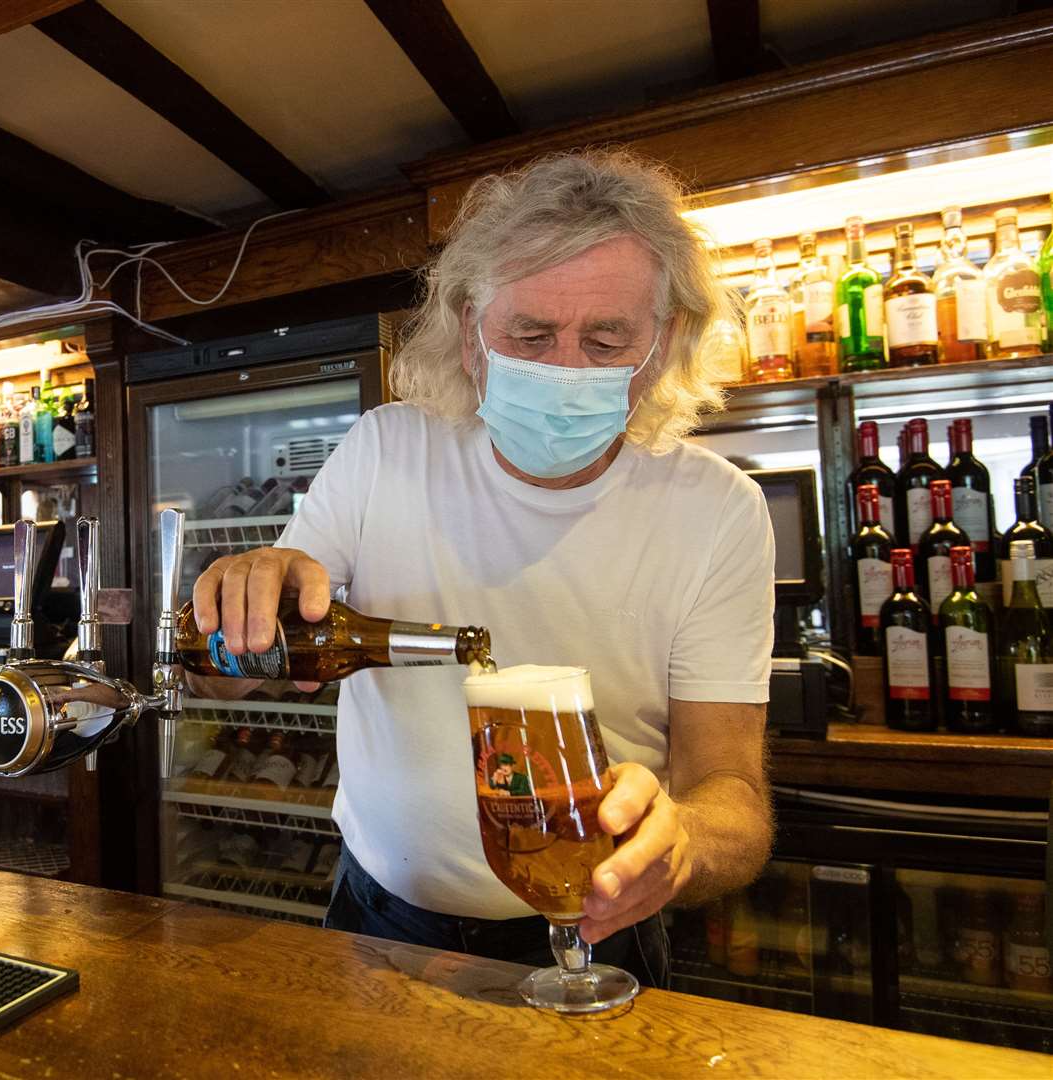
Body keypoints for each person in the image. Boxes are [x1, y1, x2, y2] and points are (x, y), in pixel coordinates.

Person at [189, 150, 774, 985]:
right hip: (376, 922)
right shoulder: (385, 452)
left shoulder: (715, 510)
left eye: (606, 338)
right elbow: (230, 678)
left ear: (665, 341)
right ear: (469, 335)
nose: (565, 369)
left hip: (597, 932)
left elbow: (731, 796)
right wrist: (242, 607)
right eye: (529, 337)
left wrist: (683, 844)